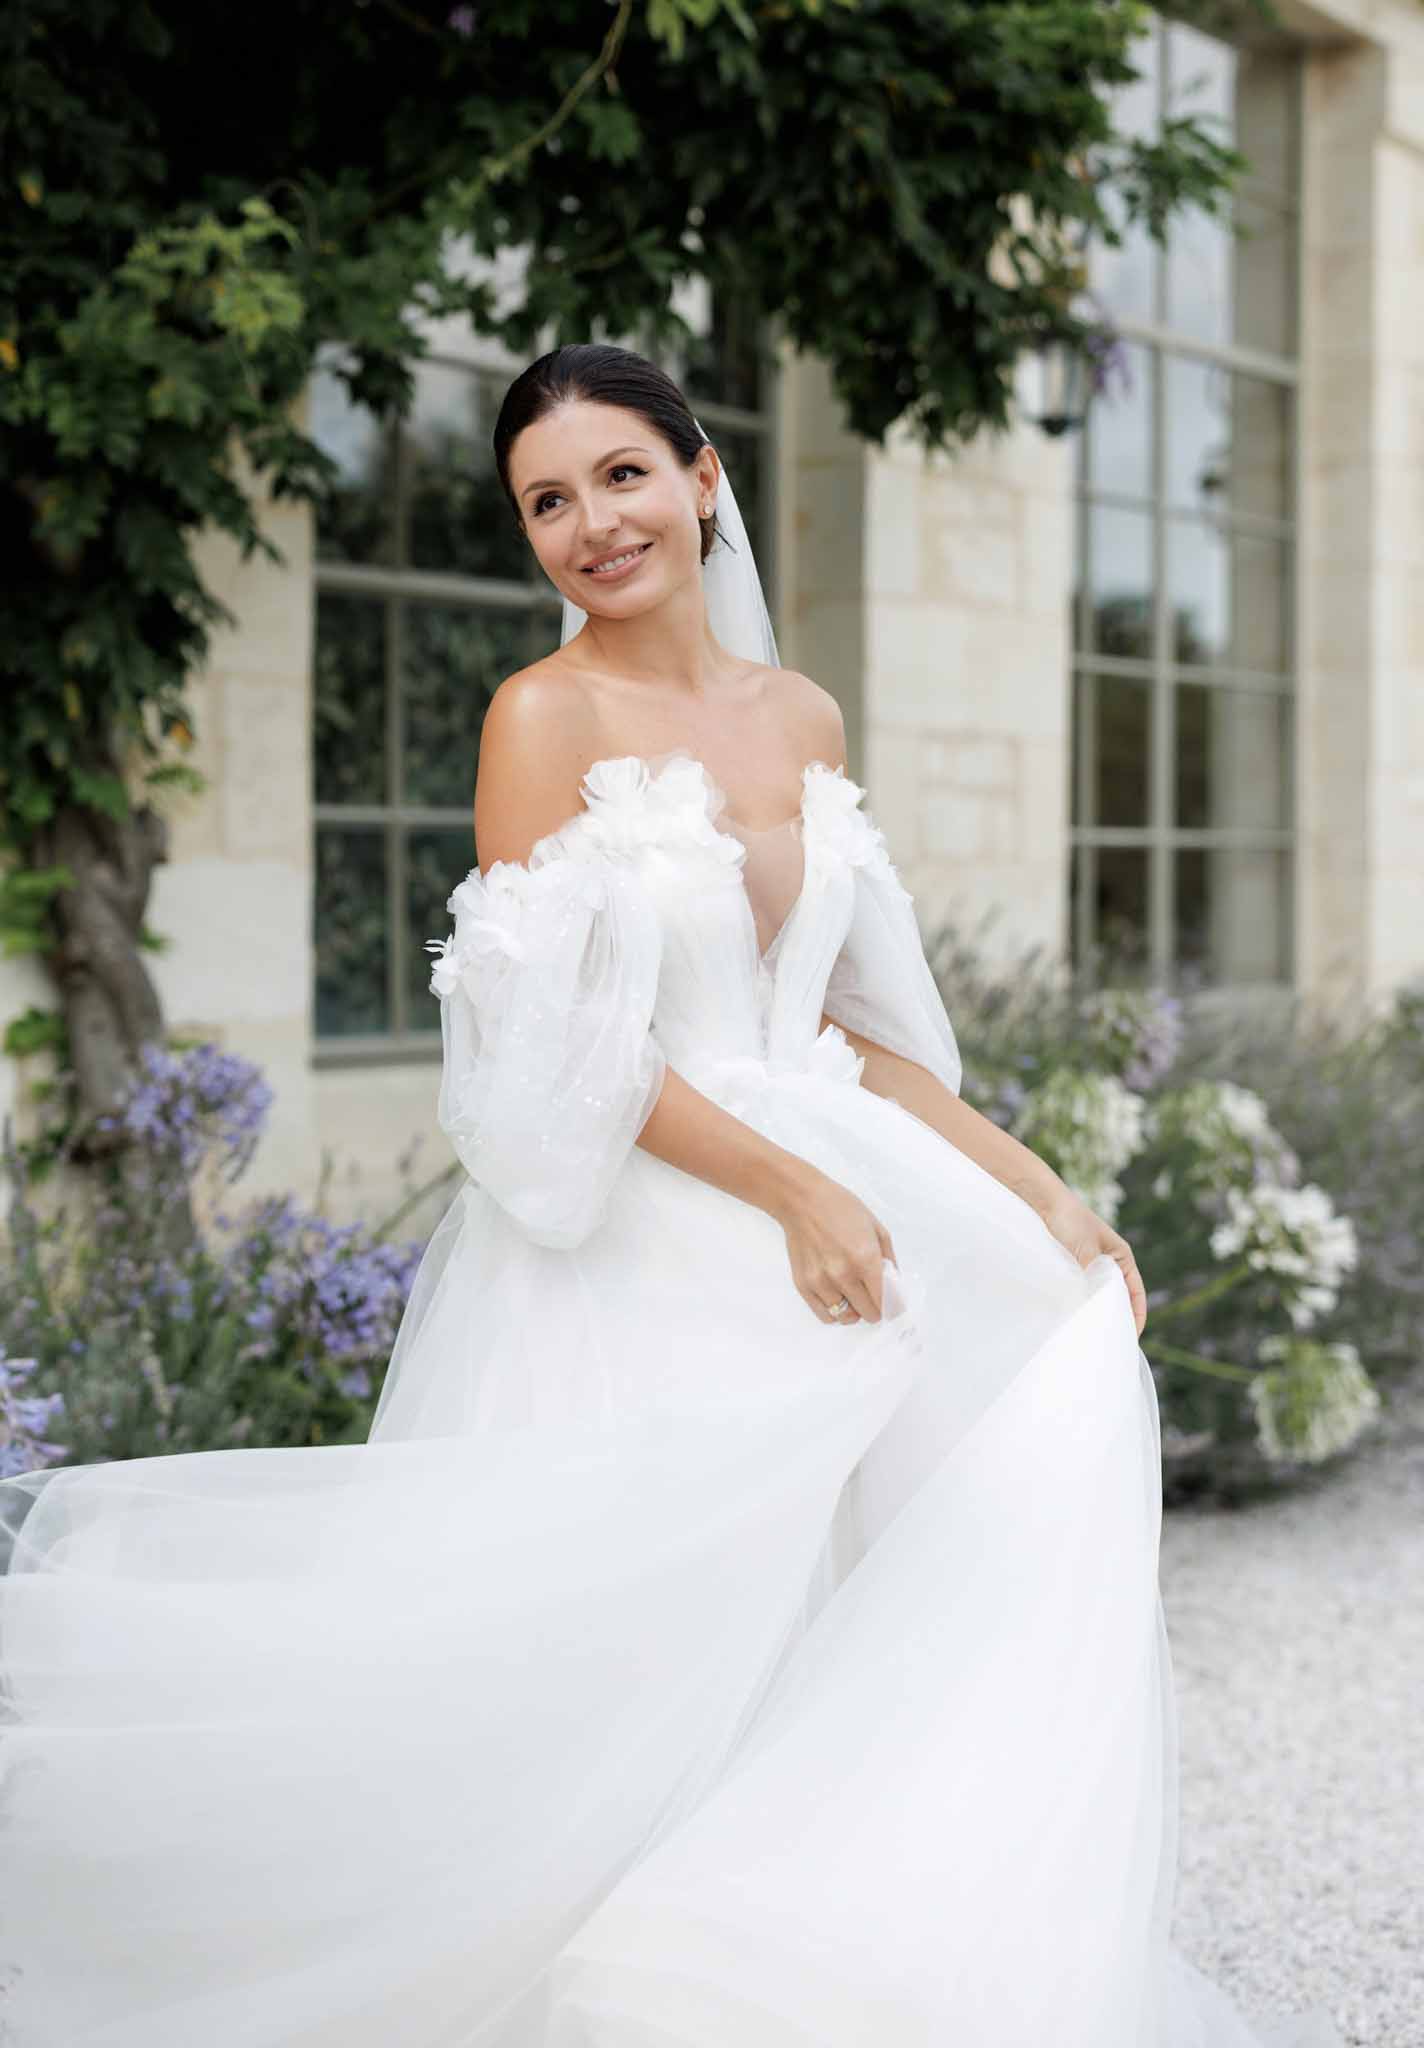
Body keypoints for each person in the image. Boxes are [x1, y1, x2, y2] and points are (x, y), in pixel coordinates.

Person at [0, 344, 1342, 2048]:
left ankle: (828, 1972)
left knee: (980, 1465)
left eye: (622, 475)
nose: (592, 524)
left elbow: (862, 1036)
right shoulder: (541, 718)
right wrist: (788, 1192)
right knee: (640, 1663)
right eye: (546, 502)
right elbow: (559, 1045)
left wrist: (1045, 1194)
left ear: (704, 479)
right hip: (646, 1233)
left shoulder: (805, 716)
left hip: (836, 1182)